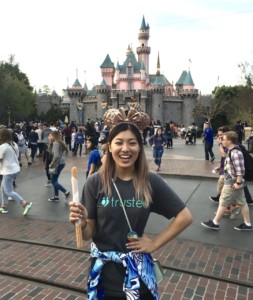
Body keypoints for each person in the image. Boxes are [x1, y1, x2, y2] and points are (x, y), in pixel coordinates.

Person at [69, 107, 193, 299]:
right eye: (119, 142)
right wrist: (82, 221)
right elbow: (87, 235)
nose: (125, 149)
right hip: (103, 279)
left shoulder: (149, 182)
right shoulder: (95, 182)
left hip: (138, 278)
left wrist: (154, 243)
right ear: (110, 147)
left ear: (140, 147)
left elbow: (185, 217)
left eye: (132, 143)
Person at [201, 131, 252, 231]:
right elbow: (230, 165)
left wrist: (237, 183)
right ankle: (248, 224)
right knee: (242, 202)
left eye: (223, 139)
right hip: (233, 181)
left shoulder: (236, 153)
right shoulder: (231, 151)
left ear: (229, 141)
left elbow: (240, 170)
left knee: (223, 201)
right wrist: (220, 168)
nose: (222, 141)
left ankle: (215, 222)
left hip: (232, 182)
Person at [0, 129, 32, 215]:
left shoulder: (3, 146)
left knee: (8, 191)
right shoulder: (13, 144)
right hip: (15, 169)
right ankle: (4, 206)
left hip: (8, 171)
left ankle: (25, 203)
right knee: (3, 188)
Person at [48, 131, 71, 202]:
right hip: (61, 163)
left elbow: (56, 156)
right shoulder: (60, 142)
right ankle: (56, 196)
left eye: (50, 136)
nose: (49, 137)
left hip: (57, 164)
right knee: (55, 180)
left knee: (53, 181)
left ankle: (66, 192)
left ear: (53, 136)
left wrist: (51, 164)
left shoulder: (56, 143)